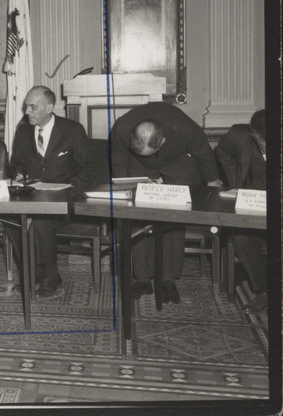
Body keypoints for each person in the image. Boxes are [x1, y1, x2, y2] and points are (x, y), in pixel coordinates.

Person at [110, 101, 220, 304]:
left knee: (173, 218)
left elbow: (204, 153)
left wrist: (213, 182)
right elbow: (118, 161)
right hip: (138, 166)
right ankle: (142, 279)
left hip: (178, 164)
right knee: (139, 216)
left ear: (162, 141)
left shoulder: (184, 128)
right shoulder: (121, 129)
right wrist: (126, 187)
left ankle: (168, 280)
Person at [3, 86, 93, 299]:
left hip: (66, 198)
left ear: (50, 107)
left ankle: (51, 276)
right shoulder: (23, 131)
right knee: (11, 219)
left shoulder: (73, 130)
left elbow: (89, 169)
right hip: (32, 194)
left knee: (41, 217)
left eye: (33, 107)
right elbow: (17, 163)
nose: (27, 112)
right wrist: (18, 174)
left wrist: (68, 192)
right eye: (26, 106)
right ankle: (32, 273)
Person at [216, 109, 267, 312]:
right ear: (253, 134)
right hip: (254, 202)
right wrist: (235, 183)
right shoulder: (239, 135)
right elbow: (222, 153)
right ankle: (265, 289)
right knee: (240, 234)